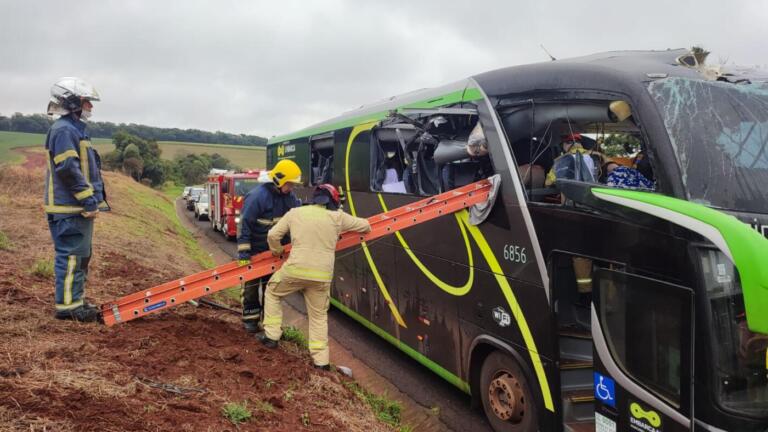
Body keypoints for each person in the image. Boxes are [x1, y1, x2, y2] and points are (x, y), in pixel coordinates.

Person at [259, 184, 371, 370]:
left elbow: (273, 234)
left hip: (295, 270)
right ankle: (321, 361)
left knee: (272, 292)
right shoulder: (337, 217)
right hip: (321, 276)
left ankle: (271, 336)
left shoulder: (295, 213)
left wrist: (277, 251)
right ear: (331, 201)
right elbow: (366, 226)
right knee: (318, 316)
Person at [44, 77, 108, 322]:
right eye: (86, 102)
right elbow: (68, 169)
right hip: (70, 208)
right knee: (72, 257)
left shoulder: (74, 129)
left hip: (74, 207)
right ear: (73, 102)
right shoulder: (64, 131)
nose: (90, 107)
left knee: (80, 256)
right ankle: (69, 309)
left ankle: (75, 300)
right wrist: (88, 200)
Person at [236, 159, 302, 333]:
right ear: (279, 180)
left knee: (271, 289)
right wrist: (244, 256)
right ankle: (250, 321)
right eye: (289, 184)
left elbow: (299, 215)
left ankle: (269, 325)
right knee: (250, 289)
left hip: (274, 254)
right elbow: (244, 226)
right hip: (253, 254)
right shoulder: (257, 197)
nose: (291, 188)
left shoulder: (290, 198)